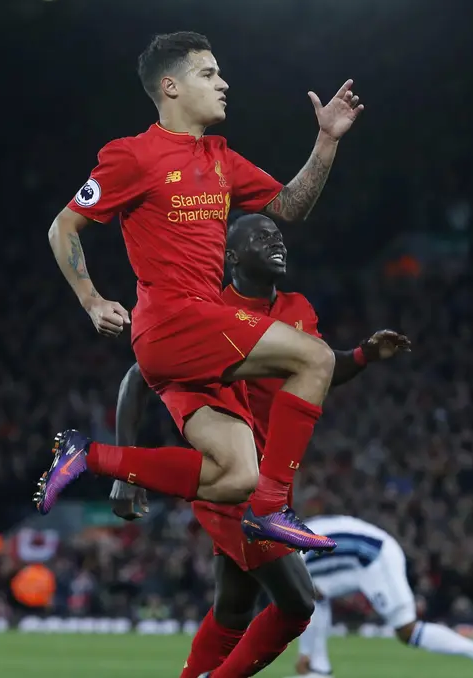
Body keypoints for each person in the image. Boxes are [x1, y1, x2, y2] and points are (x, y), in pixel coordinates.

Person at [39, 31, 365, 551]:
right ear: (170, 87)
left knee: (236, 475)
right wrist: (92, 299)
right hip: (173, 321)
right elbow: (63, 227)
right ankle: (273, 510)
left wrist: (326, 142)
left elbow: (289, 207)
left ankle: (88, 456)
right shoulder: (132, 156)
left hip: (196, 335)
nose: (224, 84)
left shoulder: (220, 158)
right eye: (209, 74)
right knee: (315, 359)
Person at [110, 213, 412, 677]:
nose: (278, 242)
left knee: (233, 609)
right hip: (236, 480)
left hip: (271, 484)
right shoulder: (208, 308)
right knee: (298, 602)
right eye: (263, 236)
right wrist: (125, 474)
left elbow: (320, 370)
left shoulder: (297, 307)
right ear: (231, 257)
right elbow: (137, 376)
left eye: (280, 235)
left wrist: (363, 356)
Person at [291, 515, 473, 678]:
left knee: (407, 632)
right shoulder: (284, 541)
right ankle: (317, 670)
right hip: (353, 559)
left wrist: (304, 651)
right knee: (312, 594)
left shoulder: (288, 554)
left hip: (375, 558)